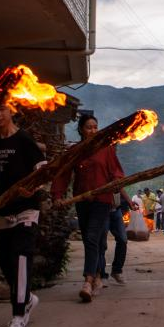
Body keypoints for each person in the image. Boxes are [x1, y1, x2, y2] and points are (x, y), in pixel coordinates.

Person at [0, 103, 47, 327]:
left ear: (12, 111)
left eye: (3, 109)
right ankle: (26, 299)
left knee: (20, 257)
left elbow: (42, 170)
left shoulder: (24, 139)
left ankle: (18, 321)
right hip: (3, 210)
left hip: (26, 209)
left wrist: (33, 188)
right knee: (6, 260)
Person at [51, 114, 125, 302]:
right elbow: (63, 174)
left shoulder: (106, 149)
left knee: (92, 237)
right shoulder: (75, 151)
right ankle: (98, 276)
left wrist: (117, 182)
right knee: (91, 240)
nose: (93, 130)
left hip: (102, 200)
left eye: (95, 127)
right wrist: (57, 196)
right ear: (81, 130)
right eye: (89, 127)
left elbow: (116, 172)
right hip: (82, 201)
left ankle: (88, 280)